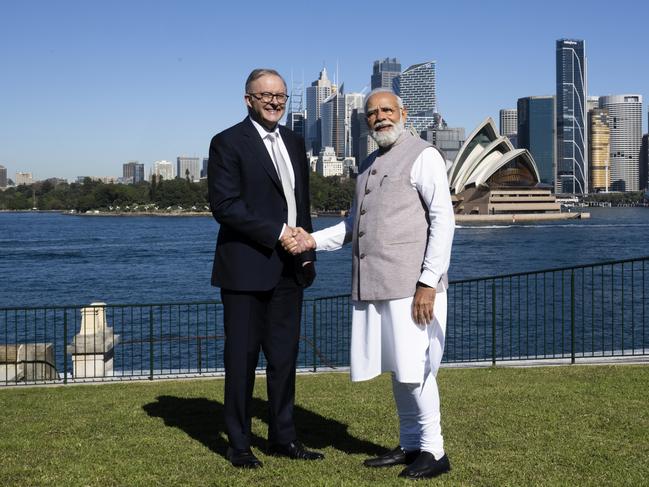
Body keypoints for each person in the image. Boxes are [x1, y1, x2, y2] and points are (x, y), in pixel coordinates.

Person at [282, 88, 455, 480]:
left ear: (403, 113)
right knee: (399, 370)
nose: (380, 117)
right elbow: (352, 227)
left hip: (411, 287)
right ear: (366, 121)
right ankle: (412, 444)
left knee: (417, 370)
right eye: (373, 113)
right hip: (375, 284)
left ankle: (435, 450)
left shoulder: (424, 155)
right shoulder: (367, 164)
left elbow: (444, 221)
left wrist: (427, 281)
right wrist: (311, 240)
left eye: (387, 110)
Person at [208, 68, 323, 469]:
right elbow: (224, 206)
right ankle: (238, 443)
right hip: (245, 270)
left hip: (290, 270)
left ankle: (283, 437)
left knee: (284, 359)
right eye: (266, 95)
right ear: (248, 99)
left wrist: (307, 253)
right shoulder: (226, 143)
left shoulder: (294, 142)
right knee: (241, 360)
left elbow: (301, 205)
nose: (275, 102)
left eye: (281, 96)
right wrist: (278, 233)